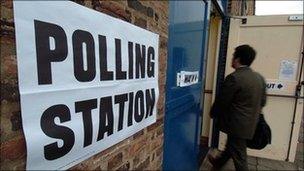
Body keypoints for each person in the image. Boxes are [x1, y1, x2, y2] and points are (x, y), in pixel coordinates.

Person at [208, 45, 266, 171]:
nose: (231, 59)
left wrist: (213, 113)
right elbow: (263, 102)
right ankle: (218, 163)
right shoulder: (259, 78)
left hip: (237, 125)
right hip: (250, 124)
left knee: (240, 156)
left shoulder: (234, 78)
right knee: (232, 146)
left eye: (233, 56)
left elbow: (222, 101)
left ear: (237, 59)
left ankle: (220, 163)